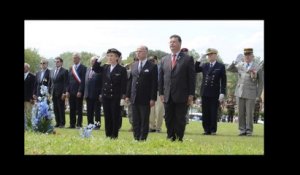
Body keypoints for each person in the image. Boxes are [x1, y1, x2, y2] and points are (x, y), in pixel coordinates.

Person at [159, 34, 195, 141]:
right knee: (168, 118)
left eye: (174, 42)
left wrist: (191, 94)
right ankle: (170, 136)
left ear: (180, 43)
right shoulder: (164, 59)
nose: (171, 44)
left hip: (182, 94)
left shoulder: (187, 59)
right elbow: (161, 78)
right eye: (170, 42)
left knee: (180, 118)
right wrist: (161, 93)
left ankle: (179, 138)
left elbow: (191, 78)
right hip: (167, 94)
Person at [227, 48, 264, 136]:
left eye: (249, 55)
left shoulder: (257, 66)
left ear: (252, 56)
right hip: (239, 91)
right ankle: (242, 129)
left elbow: (261, 82)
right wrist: (234, 62)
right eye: (245, 55)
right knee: (240, 112)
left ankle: (249, 130)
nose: (247, 57)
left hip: (251, 92)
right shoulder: (240, 65)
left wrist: (258, 95)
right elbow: (229, 69)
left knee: (249, 113)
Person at [126, 46, 158, 141]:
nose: (138, 53)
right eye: (137, 51)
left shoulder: (152, 66)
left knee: (144, 119)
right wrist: (127, 95)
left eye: (140, 51)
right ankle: (136, 137)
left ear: (146, 53)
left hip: (145, 98)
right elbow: (130, 81)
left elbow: (154, 83)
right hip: (134, 97)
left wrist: (153, 98)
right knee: (135, 119)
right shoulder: (134, 65)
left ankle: (142, 138)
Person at [195, 48, 227, 135]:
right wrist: (199, 60)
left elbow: (223, 80)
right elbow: (196, 69)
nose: (209, 56)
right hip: (205, 91)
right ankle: (206, 129)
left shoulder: (220, 66)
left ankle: (213, 130)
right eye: (208, 55)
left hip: (215, 92)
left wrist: (222, 92)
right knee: (205, 112)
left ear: (216, 55)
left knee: (213, 112)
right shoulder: (205, 65)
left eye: (211, 54)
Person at [101, 48, 127, 139]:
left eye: (112, 56)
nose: (109, 57)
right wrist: (100, 59)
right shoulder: (105, 67)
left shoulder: (121, 69)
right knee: (107, 116)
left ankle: (114, 135)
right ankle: (108, 135)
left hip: (116, 97)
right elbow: (95, 69)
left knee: (114, 116)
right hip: (106, 96)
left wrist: (123, 97)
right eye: (108, 56)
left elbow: (124, 85)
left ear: (117, 58)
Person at [66, 53, 87, 128]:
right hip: (71, 91)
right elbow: (68, 81)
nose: (74, 59)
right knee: (72, 108)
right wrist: (67, 91)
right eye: (73, 58)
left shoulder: (83, 68)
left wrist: (80, 91)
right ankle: (72, 124)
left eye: (75, 58)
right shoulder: (71, 68)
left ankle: (79, 124)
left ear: (79, 59)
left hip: (78, 92)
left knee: (79, 109)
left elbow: (83, 81)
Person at [84, 56, 102, 129]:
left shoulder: (100, 70)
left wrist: (101, 94)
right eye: (91, 61)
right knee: (89, 111)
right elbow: (86, 82)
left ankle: (97, 125)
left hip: (96, 94)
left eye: (94, 61)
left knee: (97, 112)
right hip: (88, 94)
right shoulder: (88, 69)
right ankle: (90, 124)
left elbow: (102, 83)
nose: (92, 62)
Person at [50, 57, 68, 128]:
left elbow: (66, 83)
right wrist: (49, 92)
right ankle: (57, 122)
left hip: (61, 92)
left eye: (58, 62)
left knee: (61, 108)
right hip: (53, 92)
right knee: (55, 108)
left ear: (61, 63)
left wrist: (64, 92)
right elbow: (50, 82)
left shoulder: (64, 71)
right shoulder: (52, 70)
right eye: (55, 62)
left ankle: (62, 123)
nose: (56, 63)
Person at [148, 56, 165, 133]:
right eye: (150, 60)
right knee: (151, 111)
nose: (152, 62)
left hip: (159, 92)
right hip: (150, 92)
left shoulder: (161, 68)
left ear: (156, 60)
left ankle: (158, 127)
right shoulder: (148, 68)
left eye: (153, 60)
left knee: (159, 111)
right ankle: (151, 127)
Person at [24, 63, 36, 127]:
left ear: (28, 68)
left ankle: (29, 126)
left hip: (28, 99)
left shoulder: (32, 76)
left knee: (28, 113)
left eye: (24, 67)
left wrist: (32, 98)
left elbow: (33, 88)